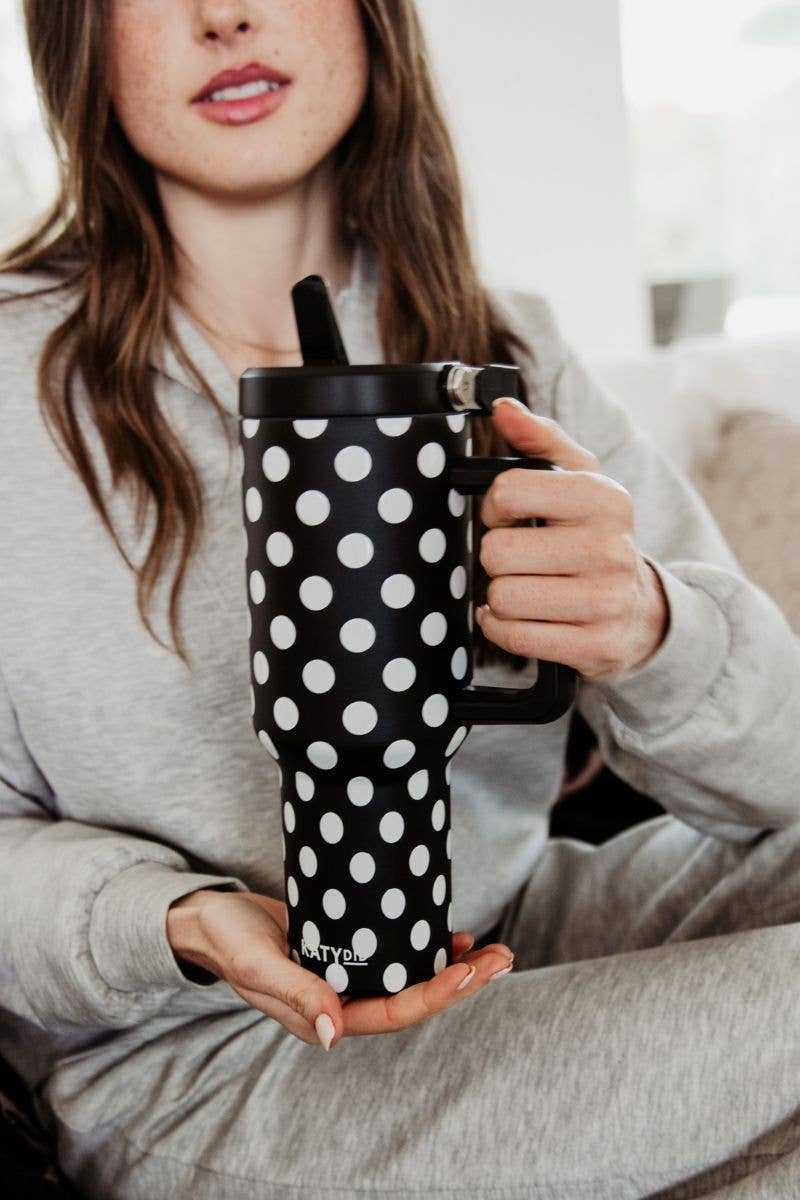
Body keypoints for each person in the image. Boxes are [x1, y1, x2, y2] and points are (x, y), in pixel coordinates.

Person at [2, 2, 800, 1197]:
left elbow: (782, 775)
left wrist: (647, 626)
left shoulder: (504, 348)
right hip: (212, 1057)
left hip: (509, 935)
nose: (226, 15)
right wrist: (173, 919)